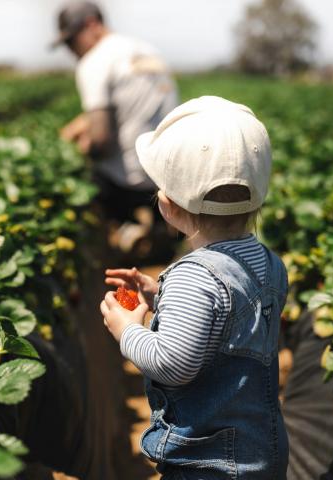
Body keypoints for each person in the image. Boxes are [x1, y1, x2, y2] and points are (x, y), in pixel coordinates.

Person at [100, 96, 289, 479]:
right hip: (261, 452)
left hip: (208, 462)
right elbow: (230, 317)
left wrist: (127, 330)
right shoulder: (269, 263)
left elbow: (173, 365)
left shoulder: (195, 277)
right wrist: (162, 297)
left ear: (167, 206)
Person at [52, 1, 179, 257]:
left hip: (127, 181)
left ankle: (123, 229)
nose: (70, 50)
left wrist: (80, 147)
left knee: (79, 175)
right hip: (167, 174)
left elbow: (101, 140)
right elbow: (133, 107)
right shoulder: (146, 50)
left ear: (91, 25)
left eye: (71, 41)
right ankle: (160, 228)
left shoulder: (95, 61)